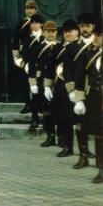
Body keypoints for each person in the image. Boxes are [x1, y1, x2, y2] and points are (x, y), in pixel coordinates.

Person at [65, 12, 97, 169]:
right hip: (81, 92)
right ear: (78, 27)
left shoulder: (98, 46)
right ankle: (83, 155)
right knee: (80, 124)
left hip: (97, 92)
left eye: (88, 26)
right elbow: (68, 71)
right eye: (82, 26)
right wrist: (73, 93)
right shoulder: (71, 47)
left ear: (93, 27)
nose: (85, 29)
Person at [43, 19, 79, 157]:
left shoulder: (80, 47)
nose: (68, 34)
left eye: (71, 31)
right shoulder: (57, 48)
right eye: (65, 31)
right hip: (60, 87)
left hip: (76, 87)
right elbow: (50, 67)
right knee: (63, 119)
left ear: (77, 32)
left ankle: (84, 151)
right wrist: (47, 86)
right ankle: (66, 146)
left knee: (81, 120)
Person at [71, 22, 102, 183]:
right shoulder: (89, 53)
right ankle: (101, 169)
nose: (94, 37)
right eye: (94, 34)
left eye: (98, 35)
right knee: (99, 135)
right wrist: (79, 99)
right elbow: (79, 76)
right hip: (94, 101)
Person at [29, 20, 60, 147]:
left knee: (59, 110)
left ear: (56, 32)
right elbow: (31, 66)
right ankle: (50, 136)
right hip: (42, 80)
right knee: (47, 110)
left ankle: (62, 138)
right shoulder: (37, 47)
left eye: (53, 31)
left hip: (58, 81)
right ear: (44, 32)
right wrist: (33, 83)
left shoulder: (61, 47)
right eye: (48, 31)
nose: (50, 34)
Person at [12, 0, 38, 113]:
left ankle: (38, 104)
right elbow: (15, 41)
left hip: (37, 55)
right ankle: (28, 103)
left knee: (37, 80)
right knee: (25, 81)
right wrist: (16, 57)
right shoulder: (20, 24)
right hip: (24, 55)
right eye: (27, 8)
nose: (29, 11)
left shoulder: (39, 22)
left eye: (31, 8)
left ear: (35, 10)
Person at [23, 14, 44, 131]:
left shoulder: (44, 37)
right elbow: (25, 54)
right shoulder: (28, 38)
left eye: (36, 22)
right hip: (31, 70)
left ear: (41, 24)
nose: (34, 25)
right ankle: (34, 119)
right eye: (32, 23)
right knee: (34, 96)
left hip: (43, 71)